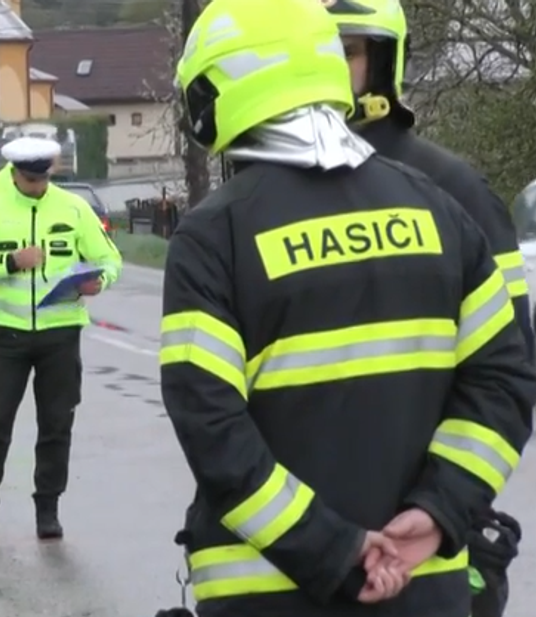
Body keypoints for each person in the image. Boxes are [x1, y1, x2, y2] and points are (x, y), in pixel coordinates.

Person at [158, 1, 535, 616]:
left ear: (218, 90)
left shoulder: (213, 238)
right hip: (424, 587)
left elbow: (213, 431)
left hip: (270, 593)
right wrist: (439, 511)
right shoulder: (439, 210)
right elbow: (506, 378)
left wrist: (337, 549)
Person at [325, 2, 533, 614]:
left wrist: (444, 503)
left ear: (384, 62)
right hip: (300, 541)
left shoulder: (454, 189)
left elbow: (509, 369)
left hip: (428, 532)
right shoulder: (262, 195)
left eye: (348, 53)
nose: (329, 70)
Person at [0, 137, 123, 539]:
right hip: (7, 336)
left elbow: (109, 258)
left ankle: (48, 508)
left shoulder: (73, 208)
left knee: (56, 425)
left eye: (43, 179)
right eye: (30, 180)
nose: (37, 186)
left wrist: (101, 281)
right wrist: (10, 262)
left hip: (60, 336)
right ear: (14, 174)